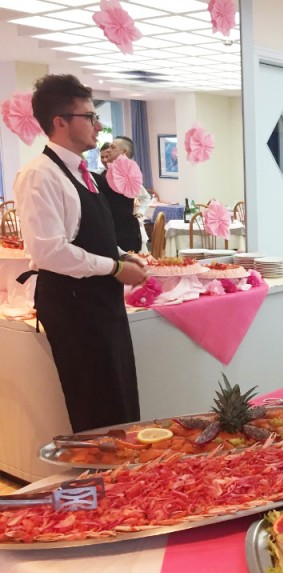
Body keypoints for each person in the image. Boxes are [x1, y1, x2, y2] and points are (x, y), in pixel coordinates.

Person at [14, 74, 147, 433]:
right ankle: (99, 469)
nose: (98, 126)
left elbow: (90, 235)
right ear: (59, 122)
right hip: (74, 305)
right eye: (89, 117)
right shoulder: (40, 175)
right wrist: (115, 268)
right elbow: (49, 251)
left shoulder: (83, 173)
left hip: (101, 301)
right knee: (95, 407)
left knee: (120, 399)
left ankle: (126, 467)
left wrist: (122, 256)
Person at [97, 135, 146, 252]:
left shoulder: (127, 173)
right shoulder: (109, 171)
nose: (108, 150)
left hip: (123, 233)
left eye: (112, 147)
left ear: (124, 152)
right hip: (113, 229)